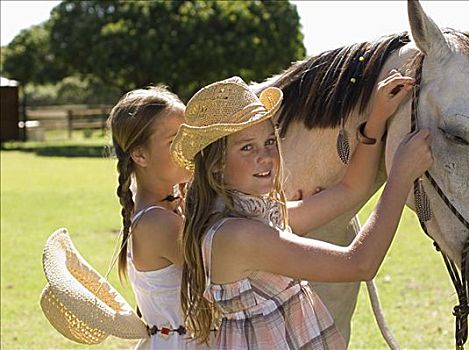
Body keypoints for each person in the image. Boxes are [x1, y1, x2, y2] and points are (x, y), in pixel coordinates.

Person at [172, 75, 432, 349]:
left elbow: (349, 190)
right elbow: (360, 264)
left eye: (270, 141)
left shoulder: (258, 218)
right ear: (216, 165)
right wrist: (401, 176)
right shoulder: (238, 235)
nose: (265, 156)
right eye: (247, 147)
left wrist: (376, 120)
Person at [108, 86, 212, 349]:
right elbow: (228, 267)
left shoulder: (166, 210)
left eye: (189, 136)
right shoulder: (157, 223)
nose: (188, 147)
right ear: (140, 155)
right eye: (174, 140)